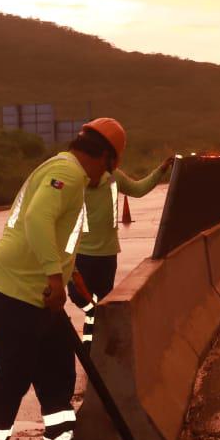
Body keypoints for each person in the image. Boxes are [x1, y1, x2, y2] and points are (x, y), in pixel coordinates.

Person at [0, 119, 126, 440]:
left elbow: (56, 232)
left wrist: (71, 273)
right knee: (12, 377)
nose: (105, 174)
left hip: (36, 295)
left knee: (57, 372)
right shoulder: (66, 173)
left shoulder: (63, 171)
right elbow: (37, 220)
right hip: (12, 292)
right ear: (104, 156)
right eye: (108, 166)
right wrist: (54, 273)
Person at [70, 132, 174, 343]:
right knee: (80, 298)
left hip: (107, 255)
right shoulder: (75, 179)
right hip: (81, 255)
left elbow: (138, 189)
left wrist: (160, 170)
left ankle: (93, 345)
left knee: (100, 304)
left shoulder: (113, 177)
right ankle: (95, 333)